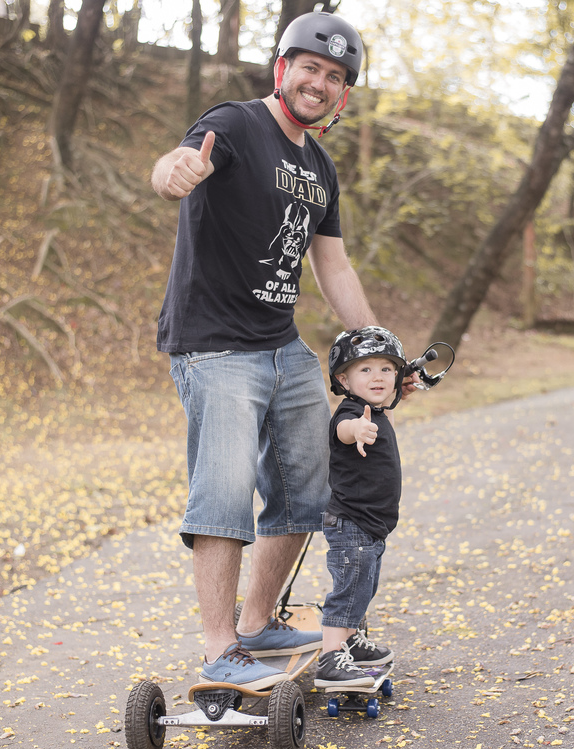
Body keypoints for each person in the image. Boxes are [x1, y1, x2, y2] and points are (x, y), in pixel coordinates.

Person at [150, 12, 382, 691]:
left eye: (336, 77)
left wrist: (378, 349)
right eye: (310, 67)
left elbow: (332, 267)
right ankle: (221, 646)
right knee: (222, 491)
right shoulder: (238, 124)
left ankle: (257, 622)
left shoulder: (321, 167)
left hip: (282, 347)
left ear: (342, 97)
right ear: (283, 70)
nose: (321, 82)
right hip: (213, 346)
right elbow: (178, 162)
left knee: (305, 489)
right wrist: (175, 173)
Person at [314, 327, 405, 688]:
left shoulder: (380, 410)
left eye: (385, 368)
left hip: (370, 525)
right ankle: (331, 658)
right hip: (351, 522)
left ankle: (349, 641)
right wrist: (359, 430)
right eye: (365, 370)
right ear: (343, 378)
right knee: (350, 587)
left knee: (364, 586)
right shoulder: (353, 412)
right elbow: (343, 430)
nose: (378, 376)